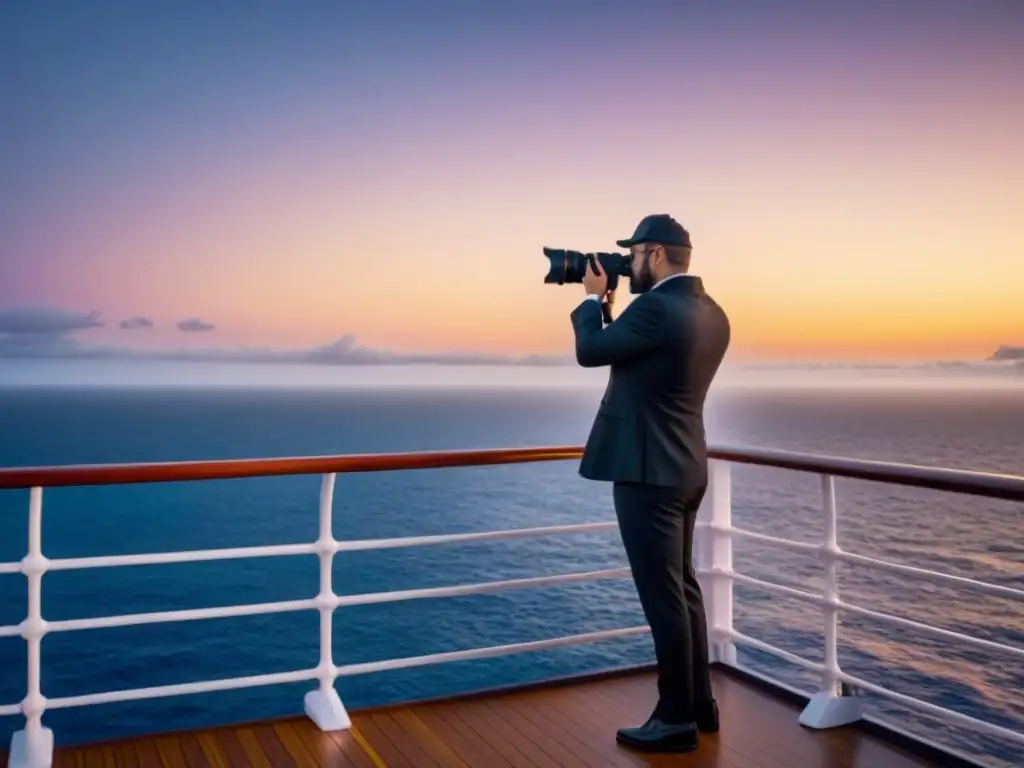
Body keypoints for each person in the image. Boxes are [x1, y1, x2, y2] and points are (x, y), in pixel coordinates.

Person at [569, 213, 731, 753]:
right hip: (686, 467)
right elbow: (639, 357)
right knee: (682, 590)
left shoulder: (658, 306)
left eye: (633, 255)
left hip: (647, 472)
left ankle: (674, 718)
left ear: (656, 254)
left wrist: (594, 300)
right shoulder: (710, 311)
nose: (627, 263)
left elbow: (592, 352)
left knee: (663, 597)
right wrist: (612, 307)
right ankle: (700, 705)